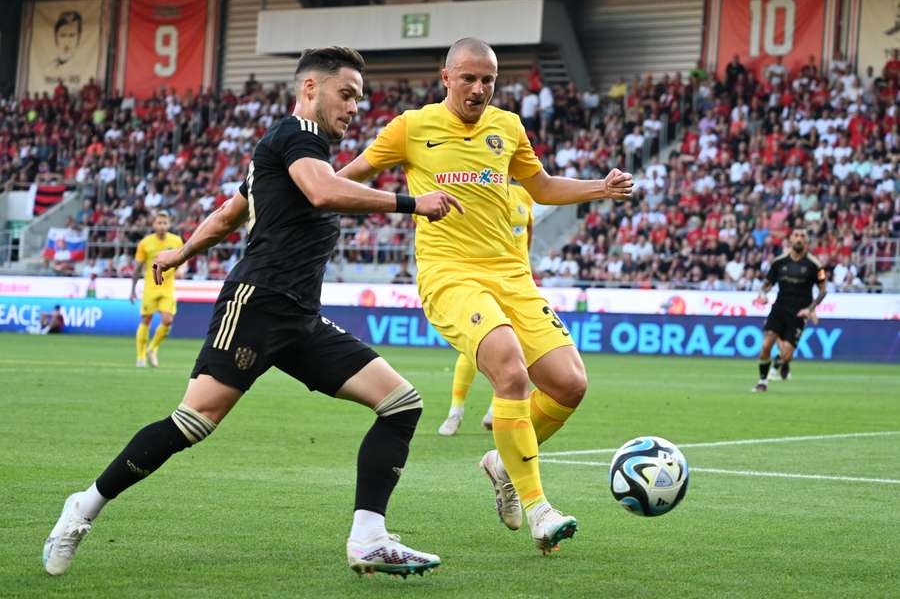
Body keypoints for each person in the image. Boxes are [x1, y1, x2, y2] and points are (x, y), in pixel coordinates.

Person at [43, 46, 461, 578]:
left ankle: (369, 537)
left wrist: (179, 252)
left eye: (359, 97)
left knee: (401, 403)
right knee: (192, 423)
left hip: (300, 318)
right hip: (257, 304)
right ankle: (83, 507)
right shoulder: (297, 138)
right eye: (347, 93)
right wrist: (410, 203)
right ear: (311, 88)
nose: (355, 106)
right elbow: (322, 192)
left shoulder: (290, 150)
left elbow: (227, 215)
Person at [338, 37, 633, 554]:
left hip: (512, 276)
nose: (479, 89)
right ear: (446, 77)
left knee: (569, 384)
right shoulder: (411, 127)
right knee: (510, 370)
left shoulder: (509, 127)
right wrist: (397, 202)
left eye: (488, 80)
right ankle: (540, 507)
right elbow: (346, 181)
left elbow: (539, 187)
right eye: (469, 78)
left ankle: (502, 460)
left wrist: (598, 188)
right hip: (450, 274)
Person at [438, 182, 534, 436]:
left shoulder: (524, 194)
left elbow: (528, 233)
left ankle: (495, 410)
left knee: (515, 349)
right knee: (477, 346)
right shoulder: (478, 190)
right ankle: (455, 412)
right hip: (484, 278)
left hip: (516, 283)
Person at [752, 229, 827, 392]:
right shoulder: (779, 262)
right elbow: (766, 284)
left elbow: (823, 290)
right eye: (796, 236)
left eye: (802, 236)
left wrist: (810, 309)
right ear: (790, 240)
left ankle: (784, 364)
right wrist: (762, 295)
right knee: (766, 345)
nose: (799, 239)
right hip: (779, 308)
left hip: (799, 312)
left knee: (785, 353)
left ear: (807, 242)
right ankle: (762, 382)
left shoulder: (814, 265)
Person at [130, 212, 184, 367]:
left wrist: (182, 269)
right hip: (150, 287)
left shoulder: (176, 241)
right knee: (146, 320)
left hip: (167, 287)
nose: (162, 226)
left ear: (169, 224)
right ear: (153, 225)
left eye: (165, 223)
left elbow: (184, 258)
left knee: (168, 320)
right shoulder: (145, 243)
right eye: (159, 223)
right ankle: (140, 357)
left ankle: (152, 348)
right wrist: (132, 290)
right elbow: (138, 268)